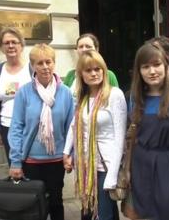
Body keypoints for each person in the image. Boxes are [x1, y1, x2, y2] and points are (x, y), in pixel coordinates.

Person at [127, 43, 169, 220]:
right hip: (141, 164)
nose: (152, 71)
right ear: (139, 71)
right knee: (143, 213)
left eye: (156, 65)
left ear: (166, 66)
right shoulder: (135, 96)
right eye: (145, 67)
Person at [8, 43, 74, 220]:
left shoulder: (66, 93)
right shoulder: (24, 93)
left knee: (56, 202)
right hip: (31, 161)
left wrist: (70, 155)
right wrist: (15, 161)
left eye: (49, 62)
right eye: (40, 63)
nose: (45, 67)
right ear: (33, 66)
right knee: (33, 207)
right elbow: (16, 127)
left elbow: (71, 128)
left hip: (57, 159)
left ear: (54, 63)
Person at [63, 50, 127, 220]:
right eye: (88, 70)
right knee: (97, 212)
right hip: (85, 164)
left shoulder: (114, 95)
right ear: (81, 75)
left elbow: (120, 137)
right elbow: (74, 125)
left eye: (97, 69)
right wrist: (66, 152)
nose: (94, 73)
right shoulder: (83, 97)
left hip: (106, 165)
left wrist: (112, 175)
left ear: (104, 70)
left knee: (103, 213)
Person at [0, 27, 32, 165]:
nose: (11, 46)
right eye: (6, 43)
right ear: (1, 47)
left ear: (21, 45)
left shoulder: (32, 69)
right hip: (7, 127)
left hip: (31, 126)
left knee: (32, 167)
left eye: (14, 42)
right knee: (15, 166)